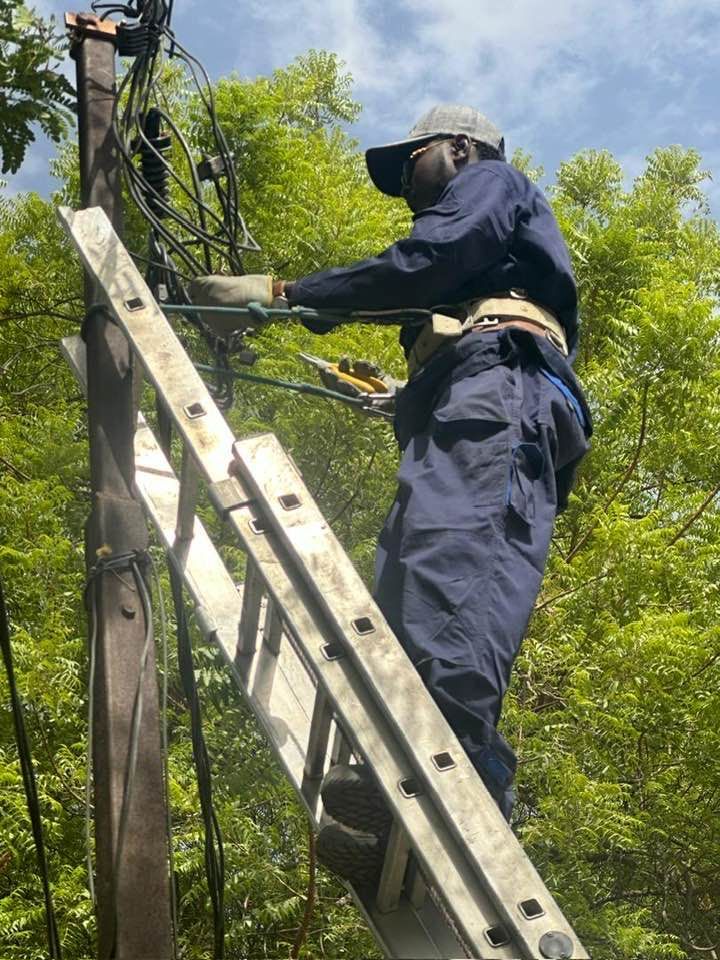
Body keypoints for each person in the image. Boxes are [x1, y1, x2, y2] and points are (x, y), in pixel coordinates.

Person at [196, 104, 591, 876]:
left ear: (457, 146)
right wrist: (397, 387)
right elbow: (420, 283)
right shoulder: (473, 243)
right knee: (412, 588)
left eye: (412, 164)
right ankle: (410, 815)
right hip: (467, 395)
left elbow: (425, 261)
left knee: (458, 566)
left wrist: (281, 292)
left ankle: (450, 777)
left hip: (503, 385)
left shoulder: (489, 181)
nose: (410, 187)